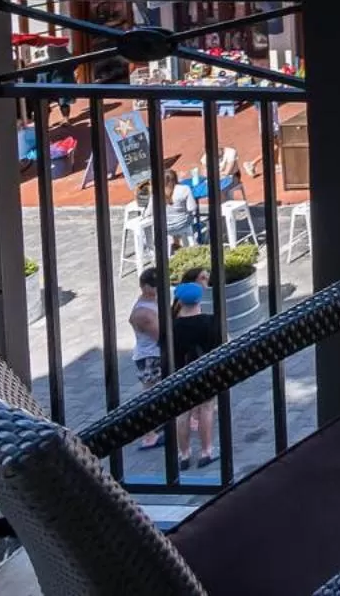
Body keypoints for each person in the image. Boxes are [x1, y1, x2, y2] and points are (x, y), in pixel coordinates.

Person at [169, 280, 223, 467]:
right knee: (206, 409)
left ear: (180, 302)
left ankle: (184, 455)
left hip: (180, 373)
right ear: (200, 299)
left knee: (182, 414)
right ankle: (206, 451)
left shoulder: (172, 327)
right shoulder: (210, 321)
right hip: (205, 372)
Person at [129, 266, 166, 449]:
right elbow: (162, 336)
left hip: (154, 354)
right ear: (144, 286)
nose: (158, 288)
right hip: (151, 357)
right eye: (154, 286)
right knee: (150, 396)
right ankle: (149, 435)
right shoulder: (143, 313)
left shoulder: (152, 300)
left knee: (157, 394)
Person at [163, 169, 200, 245]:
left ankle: (176, 244)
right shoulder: (184, 189)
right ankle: (190, 244)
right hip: (183, 224)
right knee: (189, 217)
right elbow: (192, 208)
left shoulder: (156, 192)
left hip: (166, 227)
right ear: (176, 177)